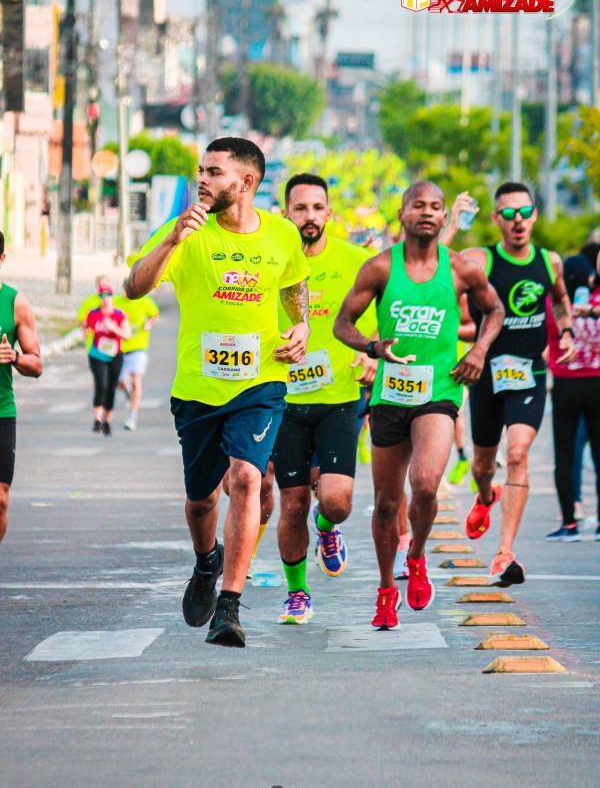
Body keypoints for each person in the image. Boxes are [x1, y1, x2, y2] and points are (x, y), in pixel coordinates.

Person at [125, 137, 310, 648]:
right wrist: (171, 241)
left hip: (260, 383)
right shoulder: (187, 232)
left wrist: (303, 326)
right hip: (198, 390)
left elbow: (295, 286)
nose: (202, 180)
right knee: (201, 501)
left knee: (247, 478)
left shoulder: (280, 234)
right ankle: (206, 561)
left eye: (213, 172)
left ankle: (229, 605)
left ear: (246, 182)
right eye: (200, 171)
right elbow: (133, 288)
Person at [334, 181, 504, 629]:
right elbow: (342, 324)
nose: (427, 213)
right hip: (390, 394)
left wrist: (478, 351)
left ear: (445, 218)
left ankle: (417, 556)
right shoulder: (379, 269)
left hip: (439, 393)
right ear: (402, 215)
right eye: (418, 206)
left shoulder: (462, 269)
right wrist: (372, 347)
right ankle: (387, 588)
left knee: (425, 484)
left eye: (435, 207)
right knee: (387, 504)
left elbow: (496, 311)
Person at [272, 173, 377, 626]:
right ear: (286, 214)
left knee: (335, 500)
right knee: (292, 503)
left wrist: (374, 354)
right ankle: (297, 593)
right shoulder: (271, 261)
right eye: (300, 208)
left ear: (329, 213)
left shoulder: (358, 262)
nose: (309, 217)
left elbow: (382, 316)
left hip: (339, 397)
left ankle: (328, 526)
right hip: (283, 400)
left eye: (317, 208)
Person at [462, 182, 576, 583]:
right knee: (482, 464)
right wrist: (455, 223)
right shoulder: (482, 261)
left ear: (534, 216)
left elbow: (559, 299)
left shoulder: (550, 262)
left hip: (529, 374)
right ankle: (484, 495)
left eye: (525, 213)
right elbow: (436, 263)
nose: (518, 222)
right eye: (508, 215)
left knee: (518, 454)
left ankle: (504, 553)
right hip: (486, 375)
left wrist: (566, 331)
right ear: (496, 220)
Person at [546, 251, 600, 541]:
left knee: (565, 457)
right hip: (598, 384)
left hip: (566, 385)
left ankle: (569, 524)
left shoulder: (554, 305)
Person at [0, 230, 43, 543]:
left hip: (2, 410)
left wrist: (14, 355)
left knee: (0, 499)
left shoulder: (15, 303)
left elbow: (36, 364)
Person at [83, 284, 131, 435]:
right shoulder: (93, 314)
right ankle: (97, 419)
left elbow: (127, 335)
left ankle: (107, 420)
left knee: (111, 387)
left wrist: (113, 327)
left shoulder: (119, 315)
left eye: (108, 295)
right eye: (102, 295)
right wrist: (85, 336)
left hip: (115, 355)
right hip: (97, 354)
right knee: (101, 384)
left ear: (112, 296)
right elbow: (84, 325)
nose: (105, 298)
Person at [114, 283, 160, 431]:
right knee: (120, 382)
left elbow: (154, 315)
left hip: (138, 347)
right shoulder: (117, 302)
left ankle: (132, 416)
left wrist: (149, 323)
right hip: (120, 349)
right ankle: (128, 394)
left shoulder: (145, 300)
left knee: (137, 381)